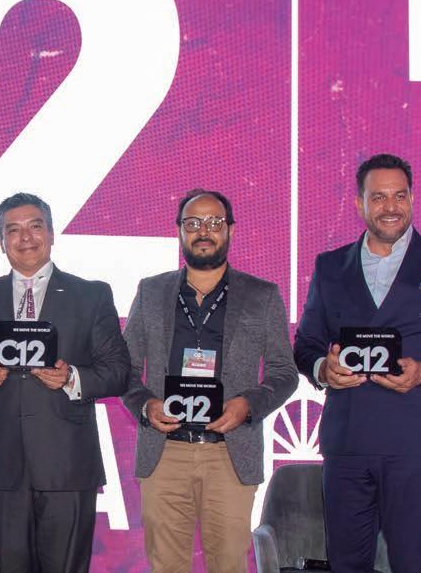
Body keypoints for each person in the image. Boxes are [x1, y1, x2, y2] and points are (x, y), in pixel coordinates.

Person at [294, 153, 421, 573]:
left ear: (412, 199)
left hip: (414, 444)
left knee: (412, 562)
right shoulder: (330, 267)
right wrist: (322, 370)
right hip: (347, 443)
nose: (391, 207)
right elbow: (306, 344)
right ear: (359, 204)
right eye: (379, 197)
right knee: (346, 565)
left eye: (399, 196)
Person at [0, 193, 129, 573]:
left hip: (68, 464)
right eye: (12, 230)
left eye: (35, 226)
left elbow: (117, 371)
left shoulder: (91, 294)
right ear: (1, 241)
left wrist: (72, 378)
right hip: (2, 466)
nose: (25, 237)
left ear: (51, 233)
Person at [122, 189, 298, 573]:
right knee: (166, 567)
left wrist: (248, 405)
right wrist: (146, 406)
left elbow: (285, 372)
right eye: (193, 223)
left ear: (231, 230)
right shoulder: (151, 291)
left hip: (229, 454)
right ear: (180, 231)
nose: (204, 231)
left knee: (229, 566)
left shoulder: (262, 295)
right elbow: (125, 368)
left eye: (214, 222)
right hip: (165, 452)